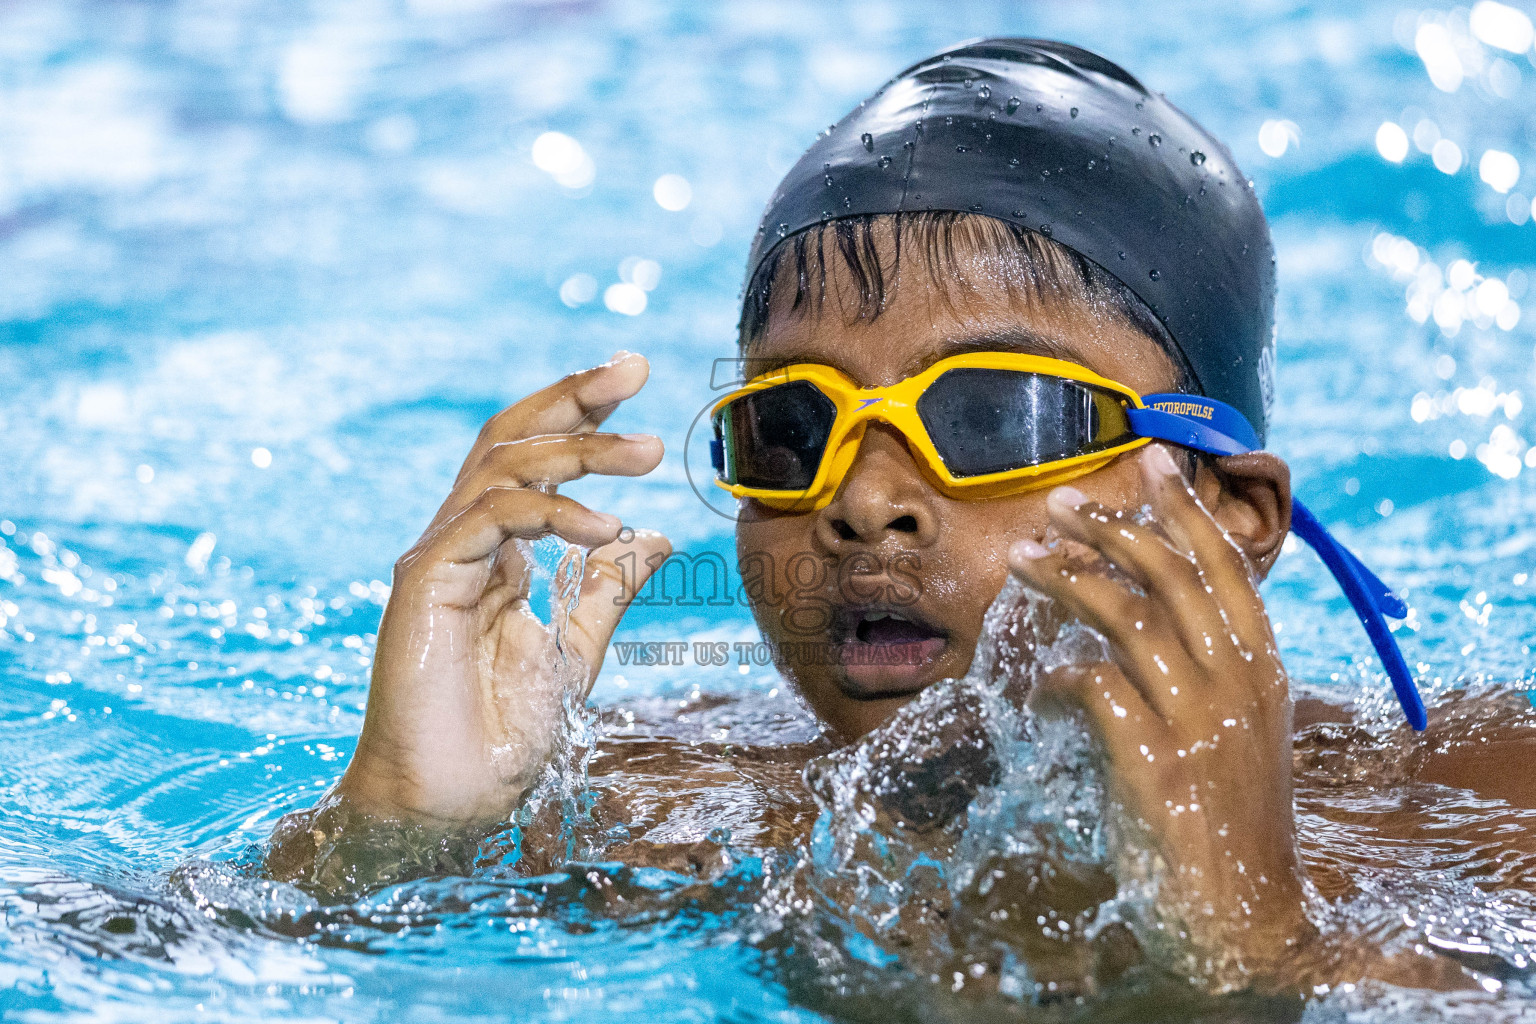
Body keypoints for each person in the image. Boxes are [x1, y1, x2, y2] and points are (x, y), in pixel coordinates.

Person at [263, 39, 1536, 994]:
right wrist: (390, 840)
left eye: (994, 415)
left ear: (1229, 506)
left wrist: (1262, 947)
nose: (867, 502)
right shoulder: (664, 804)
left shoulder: (1484, 805)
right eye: (794, 432)